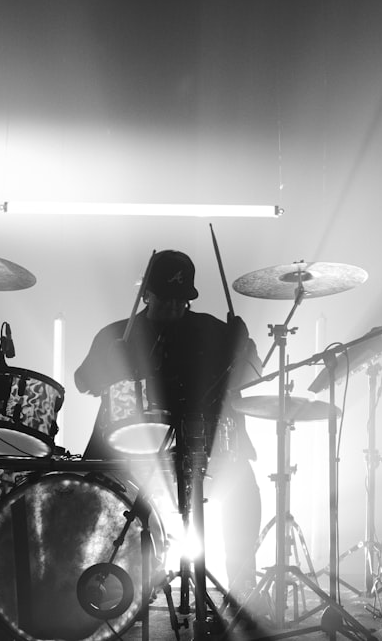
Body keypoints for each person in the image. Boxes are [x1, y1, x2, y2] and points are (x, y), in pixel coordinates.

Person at [75, 249, 263, 608]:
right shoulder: (120, 332)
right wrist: (113, 361)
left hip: (199, 443)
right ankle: (100, 583)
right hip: (129, 445)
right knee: (92, 493)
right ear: (146, 294)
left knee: (244, 486)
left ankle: (243, 588)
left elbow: (250, 376)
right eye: (167, 298)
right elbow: (84, 382)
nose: (177, 306)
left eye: (183, 299)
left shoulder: (209, 329)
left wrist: (245, 346)